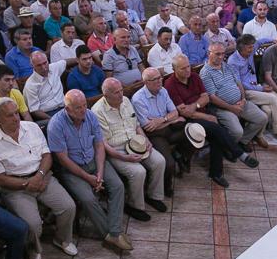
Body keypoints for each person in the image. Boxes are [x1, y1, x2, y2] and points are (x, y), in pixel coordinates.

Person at [0, 97, 78, 259]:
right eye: (9, 115)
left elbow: (47, 155)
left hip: (42, 177)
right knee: (32, 224)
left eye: (16, 113)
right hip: (16, 188)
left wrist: (39, 175)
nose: (16, 118)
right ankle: (33, 249)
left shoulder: (32, 128)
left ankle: (62, 239)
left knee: (68, 206)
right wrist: (27, 184)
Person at [48, 90, 132, 253]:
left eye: (85, 105)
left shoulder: (90, 116)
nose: (83, 110)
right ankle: (110, 234)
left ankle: (114, 232)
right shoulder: (56, 125)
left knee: (117, 186)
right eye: (78, 107)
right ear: (67, 109)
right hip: (72, 168)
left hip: (94, 160)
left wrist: (99, 172)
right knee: (88, 199)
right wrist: (88, 178)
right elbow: (63, 159)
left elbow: (99, 145)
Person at [165, 54, 258, 188]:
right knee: (216, 129)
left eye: (188, 67)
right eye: (183, 68)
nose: (187, 70)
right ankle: (236, 155)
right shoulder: (170, 84)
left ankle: (217, 171)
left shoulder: (194, 77)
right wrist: (207, 117)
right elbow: (184, 112)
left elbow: (206, 98)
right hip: (188, 121)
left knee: (216, 135)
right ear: (174, 69)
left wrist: (195, 105)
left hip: (202, 112)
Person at [93, 78, 168, 222]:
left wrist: (145, 139)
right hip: (116, 150)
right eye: (116, 92)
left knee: (159, 161)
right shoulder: (98, 111)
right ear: (106, 95)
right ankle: (135, 206)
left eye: (121, 90)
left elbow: (137, 124)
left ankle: (154, 196)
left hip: (136, 143)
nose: (121, 94)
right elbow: (103, 144)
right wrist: (124, 157)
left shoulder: (126, 101)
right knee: (138, 172)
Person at [200, 41, 267, 151]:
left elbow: (239, 84)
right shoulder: (205, 73)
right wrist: (232, 108)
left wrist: (243, 99)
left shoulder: (227, 66)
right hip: (221, 108)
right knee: (237, 131)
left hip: (240, 103)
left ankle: (242, 141)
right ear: (209, 54)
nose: (221, 57)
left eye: (223, 54)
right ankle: (227, 149)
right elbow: (212, 98)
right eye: (217, 54)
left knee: (262, 118)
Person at [228, 34, 277, 145]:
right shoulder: (233, 61)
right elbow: (240, 84)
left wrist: (274, 40)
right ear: (241, 48)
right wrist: (260, 88)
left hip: (256, 86)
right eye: (249, 47)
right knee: (273, 97)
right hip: (245, 91)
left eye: (252, 47)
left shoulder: (249, 51)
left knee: (267, 110)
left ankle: (258, 135)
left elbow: (259, 41)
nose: (252, 49)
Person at [132, 67, 187, 197]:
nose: (159, 81)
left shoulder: (163, 90)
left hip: (166, 128)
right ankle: (166, 187)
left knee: (190, 131)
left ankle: (181, 155)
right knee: (169, 164)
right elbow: (148, 127)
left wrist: (162, 120)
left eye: (160, 77)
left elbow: (175, 112)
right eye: (155, 79)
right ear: (146, 82)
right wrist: (171, 120)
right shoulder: (138, 99)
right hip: (155, 135)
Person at [24, 52, 67, 123]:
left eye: (45, 63)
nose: (44, 67)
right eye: (39, 65)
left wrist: (77, 60)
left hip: (65, 108)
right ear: (32, 66)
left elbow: (65, 62)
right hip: (48, 114)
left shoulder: (54, 67)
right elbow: (35, 111)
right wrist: (53, 120)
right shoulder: (30, 85)